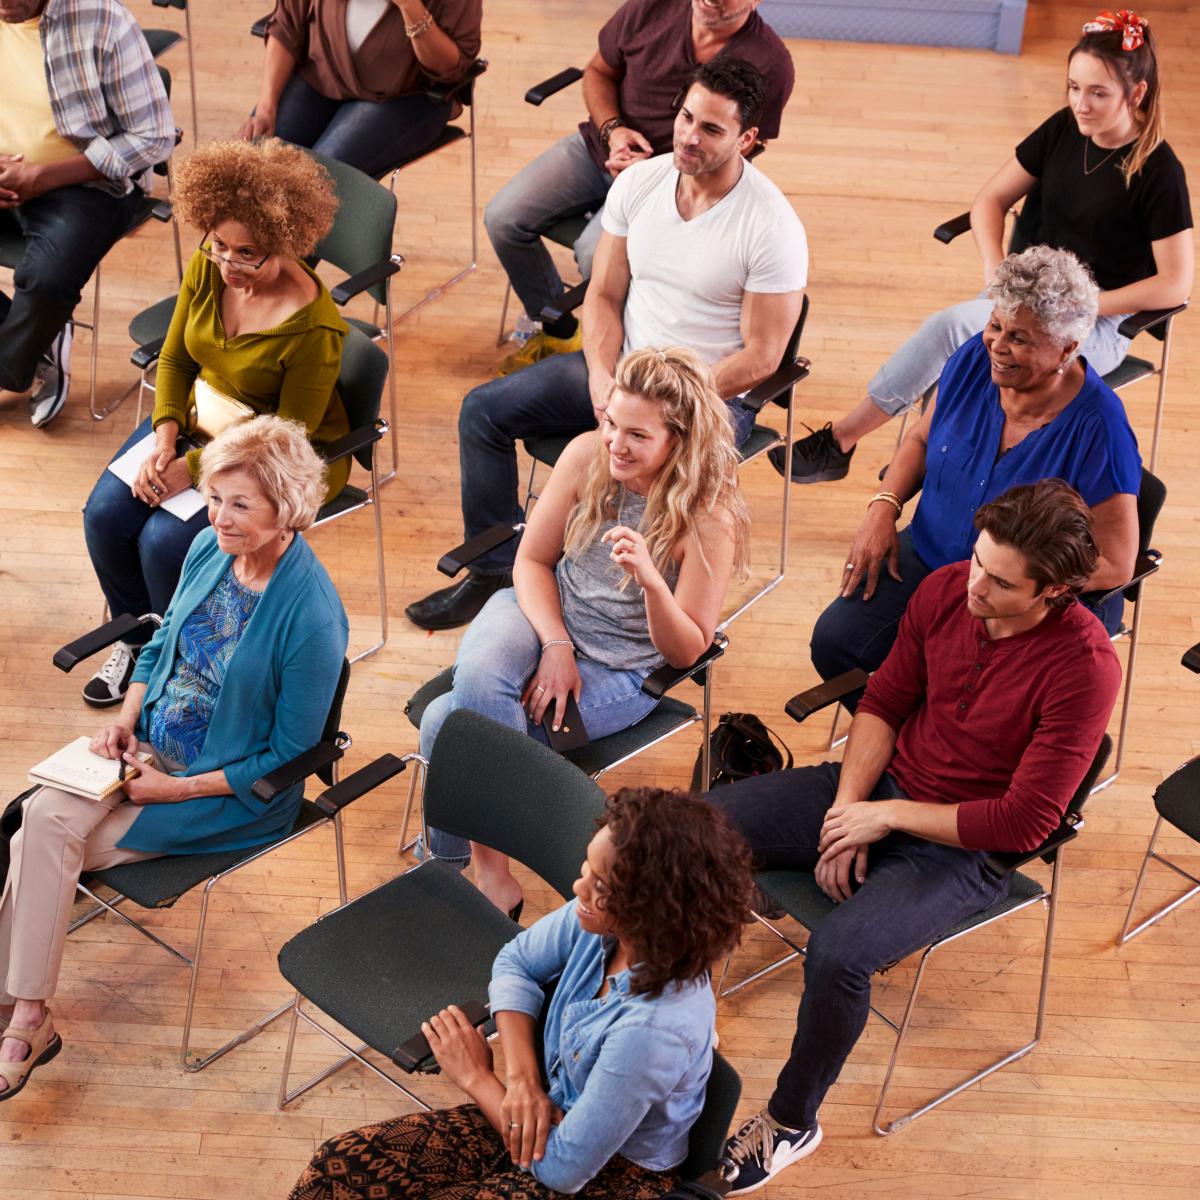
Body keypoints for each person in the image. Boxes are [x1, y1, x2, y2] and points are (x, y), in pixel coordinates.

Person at [712, 479, 1123, 1194]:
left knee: (839, 954)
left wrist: (886, 818)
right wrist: (847, 813)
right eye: (976, 562)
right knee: (698, 826)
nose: (975, 587)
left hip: (963, 848)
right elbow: (886, 701)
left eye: (999, 583)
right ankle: (657, 1004)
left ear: (1054, 591)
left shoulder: (1085, 669)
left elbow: (1026, 822)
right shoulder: (943, 590)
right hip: (878, 789)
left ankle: (790, 1122)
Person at [0, 417, 349, 1102]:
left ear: (289, 507)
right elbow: (159, 648)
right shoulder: (207, 549)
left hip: (227, 791)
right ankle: (23, 1015)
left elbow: (289, 754)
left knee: (42, 828)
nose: (218, 516)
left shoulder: (313, 615)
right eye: (215, 498)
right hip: (148, 754)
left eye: (240, 504)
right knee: (40, 818)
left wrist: (173, 792)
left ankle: (25, 1020)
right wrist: (125, 724)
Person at [407, 57, 806, 631]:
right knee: (482, 412)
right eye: (687, 117)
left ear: (747, 138)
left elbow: (765, 356)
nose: (690, 136)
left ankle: (630, 617)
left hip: (708, 400)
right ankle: (496, 571)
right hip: (622, 374)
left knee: (628, 467)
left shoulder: (771, 226)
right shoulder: (643, 182)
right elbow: (603, 295)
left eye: (712, 129)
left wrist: (664, 400)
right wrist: (602, 375)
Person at [776, 9, 1192, 485]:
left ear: (1136, 94)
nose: (1081, 103)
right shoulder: (1063, 130)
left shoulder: (1158, 172)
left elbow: (1175, 284)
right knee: (964, 339)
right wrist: (997, 273)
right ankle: (927, 457)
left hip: (1092, 326)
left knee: (956, 331)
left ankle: (847, 441)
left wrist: (1090, 304)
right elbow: (989, 200)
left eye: (1098, 93)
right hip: (1024, 295)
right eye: (1074, 87)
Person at [290, 786, 755, 1200]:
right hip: (539, 1109)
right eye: (587, 870)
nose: (578, 888)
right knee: (338, 1167)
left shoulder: (653, 1031)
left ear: (646, 912)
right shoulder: (604, 923)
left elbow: (563, 1170)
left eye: (597, 885)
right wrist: (523, 1083)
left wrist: (476, 1078)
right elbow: (516, 962)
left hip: (611, 1171)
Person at [418, 346, 750, 913]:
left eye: (638, 436)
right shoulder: (585, 456)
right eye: (610, 423)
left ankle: (452, 866)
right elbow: (531, 562)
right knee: (475, 682)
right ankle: (490, 873)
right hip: (544, 611)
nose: (616, 443)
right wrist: (555, 644)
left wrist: (651, 581)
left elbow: (688, 648)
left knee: (441, 719)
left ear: (680, 439)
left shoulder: (707, 514)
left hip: (622, 669)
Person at [81, 138, 349, 709]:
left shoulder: (315, 329)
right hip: (200, 422)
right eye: (219, 245)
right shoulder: (211, 267)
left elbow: (285, 438)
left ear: (285, 243)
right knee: (104, 515)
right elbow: (176, 357)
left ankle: (181, 663)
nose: (228, 263)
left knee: (162, 542)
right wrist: (166, 435)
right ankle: (140, 642)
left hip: (269, 452)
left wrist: (194, 470)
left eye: (247, 253)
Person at [810, 245, 1141, 702]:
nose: (998, 346)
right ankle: (914, 754)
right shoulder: (973, 361)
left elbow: (1117, 565)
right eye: (995, 325)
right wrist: (882, 509)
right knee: (836, 644)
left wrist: (1017, 585)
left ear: (1067, 348)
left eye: (1020, 339)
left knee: (972, 695)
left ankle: (940, 757)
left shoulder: (1099, 428)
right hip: (931, 557)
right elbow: (922, 441)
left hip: (1028, 600)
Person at [486, 0, 793, 371]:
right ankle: (561, 331)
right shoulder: (650, 8)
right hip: (600, 146)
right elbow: (598, 70)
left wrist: (664, 171)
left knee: (590, 253)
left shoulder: (772, 62)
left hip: (669, 179)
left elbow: (746, 146)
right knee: (502, 217)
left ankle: (622, 359)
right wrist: (613, 131)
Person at [0, 0, 174, 427]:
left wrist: (42, 177)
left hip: (86, 183)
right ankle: (41, 333)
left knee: (48, 280)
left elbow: (154, 137)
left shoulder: (104, 20)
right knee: (43, 298)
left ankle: (22, 349)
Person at [241, 0, 482, 177]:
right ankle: (234, 247)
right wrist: (266, 107)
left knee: (315, 181)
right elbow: (287, 24)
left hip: (403, 98)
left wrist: (411, 8)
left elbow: (451, 69)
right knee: (250, 165)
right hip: (320, 76)